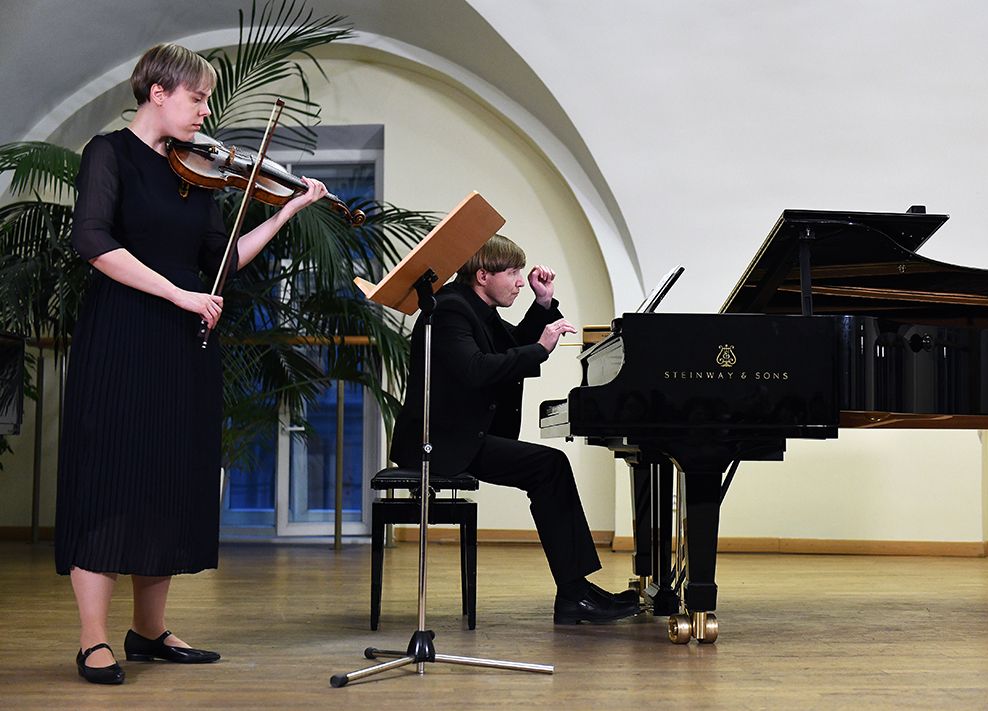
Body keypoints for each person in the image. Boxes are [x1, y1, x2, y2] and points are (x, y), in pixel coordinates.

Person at [53, 43, 327, 685]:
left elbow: (221, 259)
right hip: (122, 336)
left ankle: (148, 631)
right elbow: (92, 239)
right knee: (109, 479)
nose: (206, 111)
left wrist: (286, 212)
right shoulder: (108, 153)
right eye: (197, 98)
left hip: (183, 344)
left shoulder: (193, 172)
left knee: (169, 479)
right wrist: (178, 295)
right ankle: (93, 640)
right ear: (158, 92)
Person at [389, 235, 640, 625]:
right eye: (513, 273)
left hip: (461, 435)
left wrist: (543, 304)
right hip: (441, 441)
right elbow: (476, 369)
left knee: (549, 468)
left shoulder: (474, 308)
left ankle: (576, 591)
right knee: (550, 466)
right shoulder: (450, 309)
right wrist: (540, 348)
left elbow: (511, 344)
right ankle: (574, 595)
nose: (521, 281)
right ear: (483, 275)